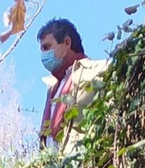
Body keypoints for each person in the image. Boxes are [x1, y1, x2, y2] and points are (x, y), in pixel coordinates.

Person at [37, 18, 109, 149]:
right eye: (42, 49)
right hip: (55, 165)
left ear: (67, 43)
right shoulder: (52, 88)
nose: (43, 54)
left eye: (47, 47)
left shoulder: (98, 69)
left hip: (84, 159)